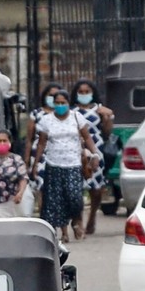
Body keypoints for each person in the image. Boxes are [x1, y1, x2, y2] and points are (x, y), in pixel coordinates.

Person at [32, 89, 99, 242]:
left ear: (69, 103)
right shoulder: (46, 120)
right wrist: (36, 164)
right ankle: (64, 233)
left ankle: (76, 219)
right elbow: (42, 143)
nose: (60, 106)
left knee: (74, 197)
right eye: (57, 103)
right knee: (56, 200)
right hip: (53, 164)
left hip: (73, 164)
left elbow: (87, 137)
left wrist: (95, 154)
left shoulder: (76, 117)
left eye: (63, 103)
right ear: (53, 104)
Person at [72, 79, 116, 235]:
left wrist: (107, 119)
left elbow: (107, 133)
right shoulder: (72, 111)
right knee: (76, 189)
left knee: (96, 188)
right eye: (81, 92)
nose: (84, 95)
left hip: (96, 149)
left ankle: (92, 218)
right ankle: (79, 221)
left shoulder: (99, 109)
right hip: (76, 151)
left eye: (87, 92)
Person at [25, 82, 63, 215]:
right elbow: (29, 139)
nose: (53, 98)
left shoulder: (64, 114)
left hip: (60, 155)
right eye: (50, 95)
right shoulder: (36, 114)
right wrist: (27, 161)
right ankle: (44, 220)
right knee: (42, 188)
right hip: (39, 157)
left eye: (56, 96)